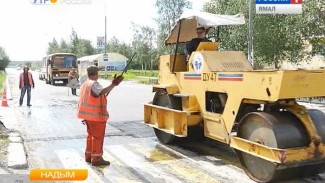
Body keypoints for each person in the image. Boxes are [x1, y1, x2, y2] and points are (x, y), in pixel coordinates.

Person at [77, 65, 123, 166]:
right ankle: (97, 158)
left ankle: (89, 156)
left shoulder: (86, 83)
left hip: (87, 116)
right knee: (98, 137)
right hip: (95, 116)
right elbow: (102, 91)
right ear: (96, 73)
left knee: (91, 136)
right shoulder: (94, 84)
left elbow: (98, 93)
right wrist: (113, 84)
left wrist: (111, 85)